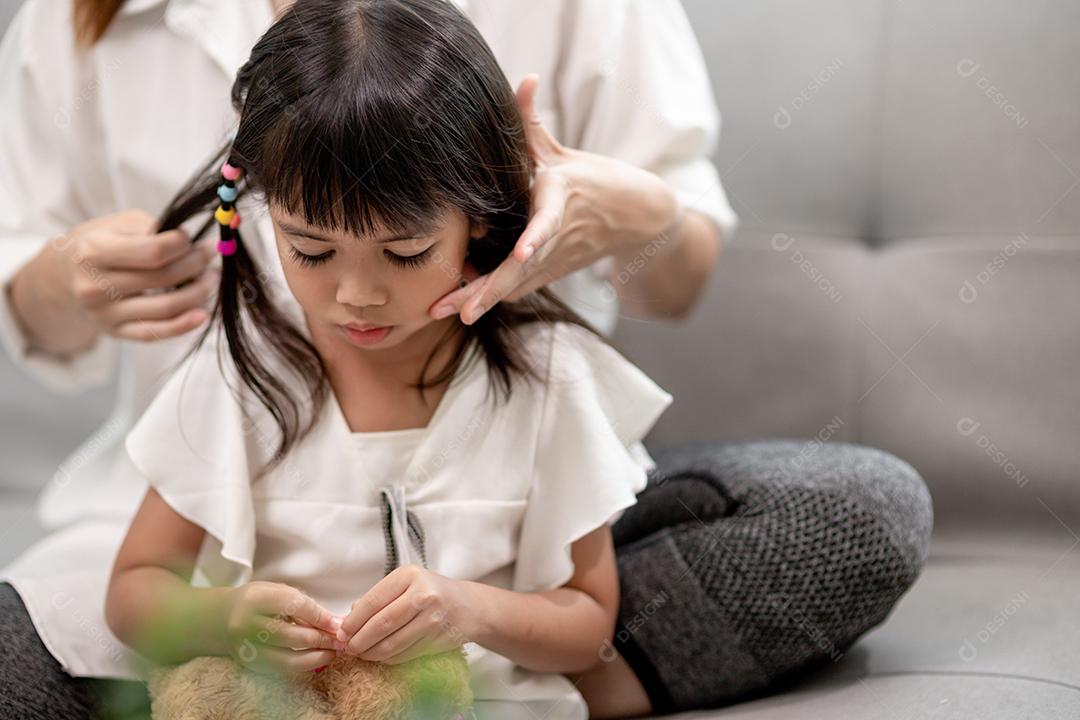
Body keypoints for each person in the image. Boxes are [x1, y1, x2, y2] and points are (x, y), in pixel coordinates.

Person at [0, 0, 933, 718]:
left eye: (403, 255)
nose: (356, 296)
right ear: (256, 214)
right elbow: (142, 583)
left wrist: (638, 213)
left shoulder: (546, 376)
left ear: (484, 220)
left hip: (512, 576)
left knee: (855, 512)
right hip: (210, 584)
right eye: (311, 252)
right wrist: (215, 624)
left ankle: (508, 689)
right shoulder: (240, 370)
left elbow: (585, 605)